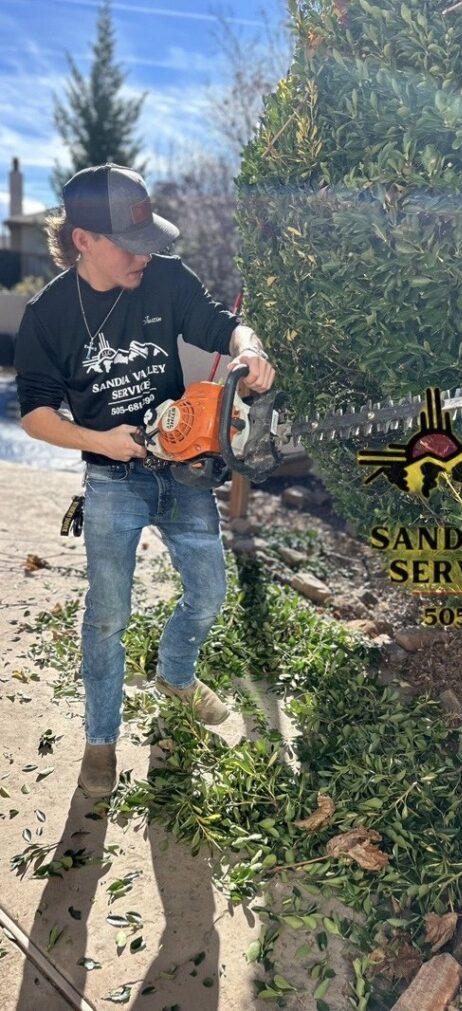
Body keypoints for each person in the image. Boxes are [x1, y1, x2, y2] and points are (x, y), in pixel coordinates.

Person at [14, 163, 275, 798]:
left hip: (183, 472)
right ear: (84, 241)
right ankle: (100, 741)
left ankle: (176, 678)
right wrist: (99, 440)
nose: (145, 255)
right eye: (131, 245)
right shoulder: (47, 315)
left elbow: (219, 322)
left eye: (149, 239)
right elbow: (36, 414)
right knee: (108, 615)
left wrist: (251, 346)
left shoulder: (165, 278)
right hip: (111, 480)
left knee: (209, 595)